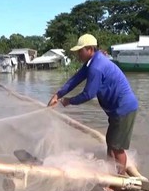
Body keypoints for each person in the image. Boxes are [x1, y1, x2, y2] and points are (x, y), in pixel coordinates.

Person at [47, 34, 139, 176]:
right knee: (110, 143)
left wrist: (69, 101)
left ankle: (120, 183)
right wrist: (58, 94)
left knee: (117, 148)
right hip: (116, 110)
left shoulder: (96, 67)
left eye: (80, 51)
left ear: (89, 49)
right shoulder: (93, 61)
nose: (78, 54)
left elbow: (88, 94)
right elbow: (76, 79)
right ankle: (111, 175)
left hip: (123, 109)